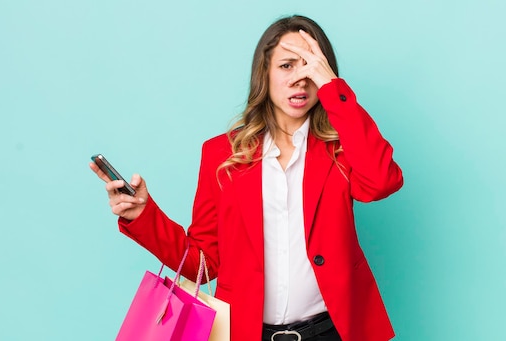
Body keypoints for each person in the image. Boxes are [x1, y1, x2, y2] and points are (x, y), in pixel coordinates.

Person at [91, 15, 403, 341]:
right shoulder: (221, 154)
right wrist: (142, 215)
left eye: (310, 66)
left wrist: (332, 87)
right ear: (264, 74)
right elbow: (204, 262)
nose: (300, 78)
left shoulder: (342, 149)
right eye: (286, 66)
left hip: (333, 332)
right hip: (245, 334)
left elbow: (382, 182)